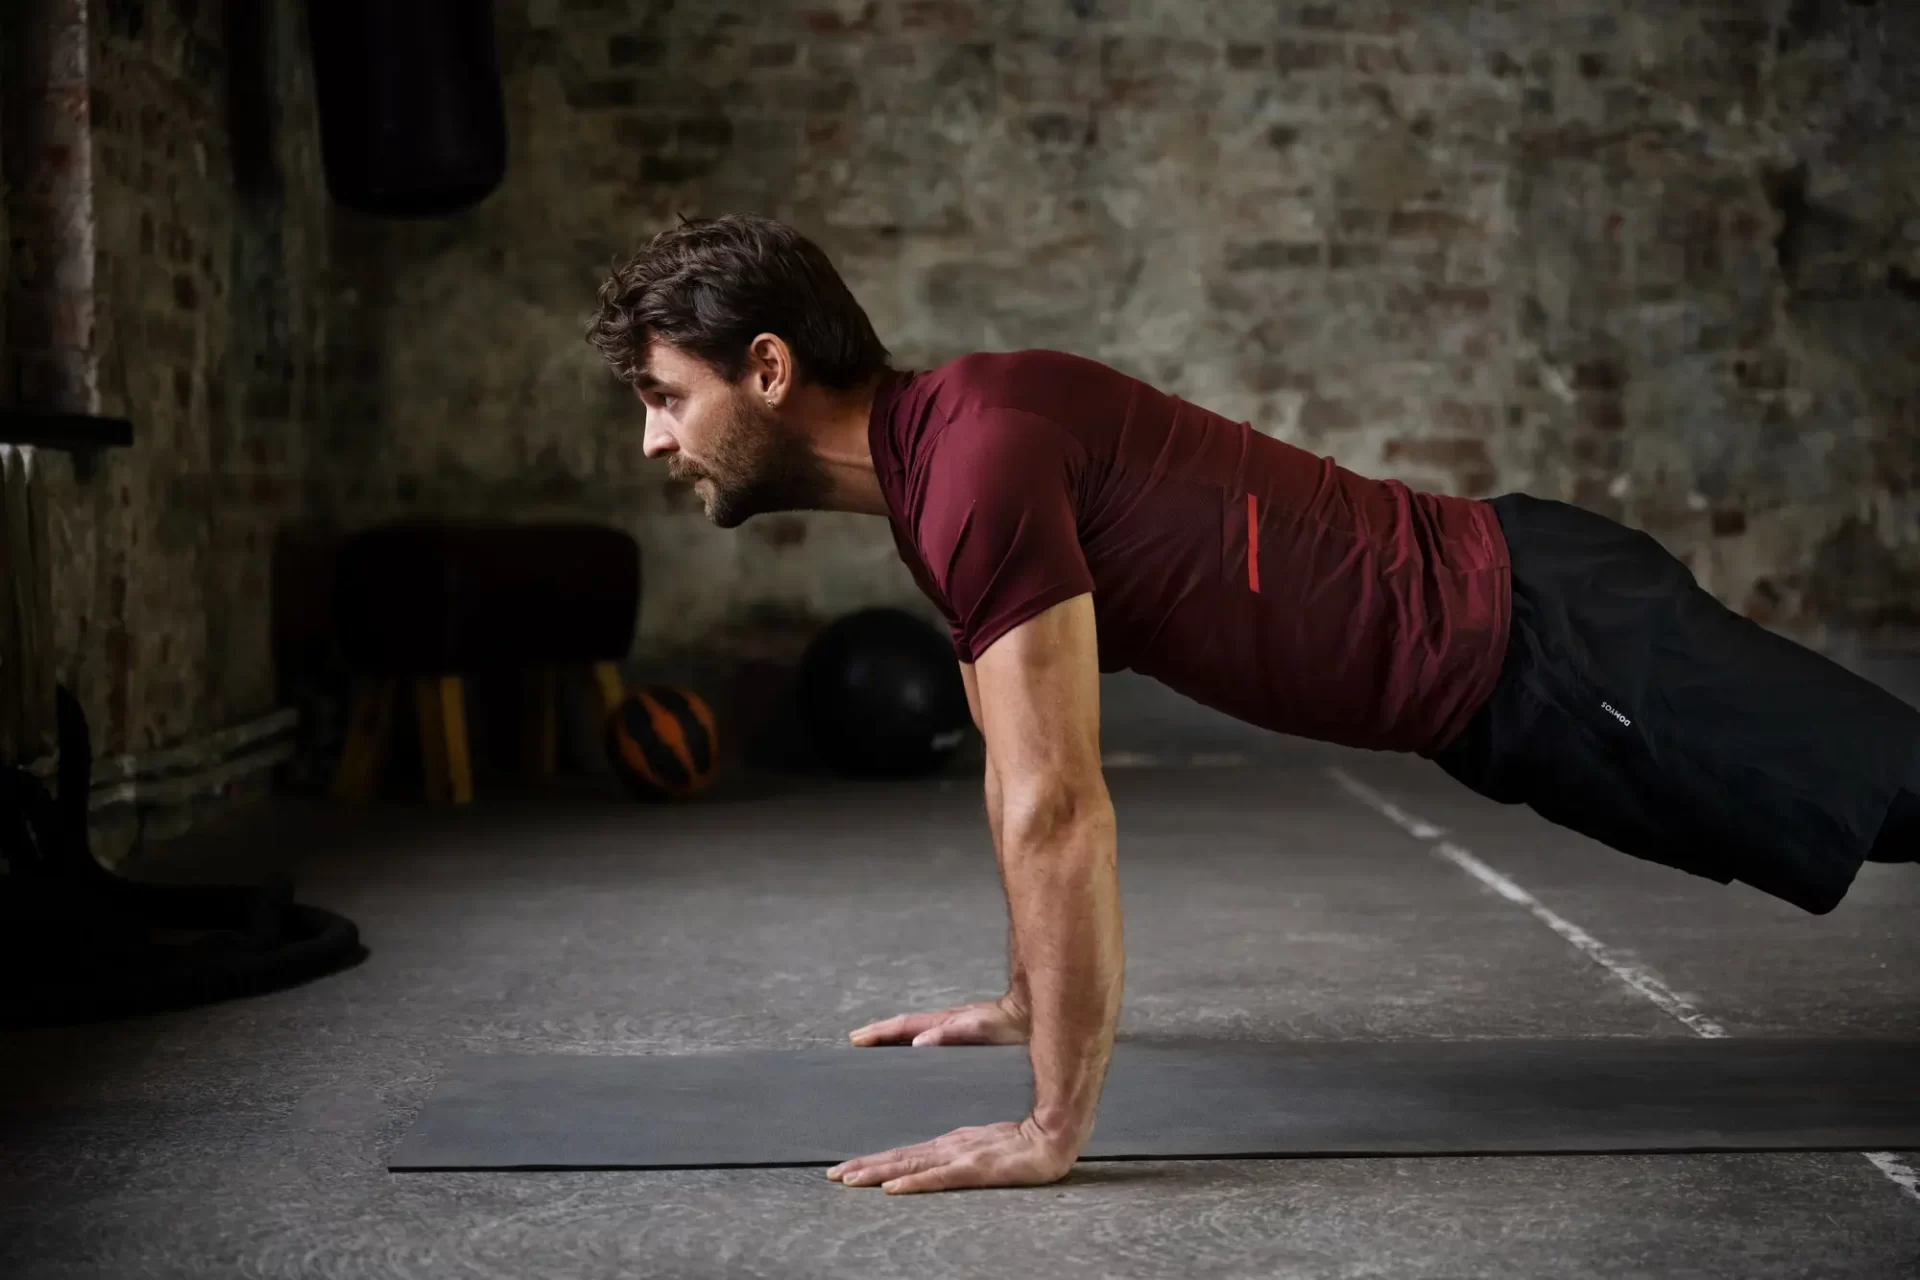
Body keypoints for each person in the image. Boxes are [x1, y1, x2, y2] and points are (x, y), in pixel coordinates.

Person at [587, 213, 1920, 1195]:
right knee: (1867, 810)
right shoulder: (950, 455)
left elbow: (1062, 808)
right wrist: (1017, 996)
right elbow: (1014, 765)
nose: (653, 439)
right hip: (1516, 669)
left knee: (1890, 796)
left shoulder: (974, 466)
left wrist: (1051, 1125)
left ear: (767, 368)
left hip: (1556, 647)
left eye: (664, 396)